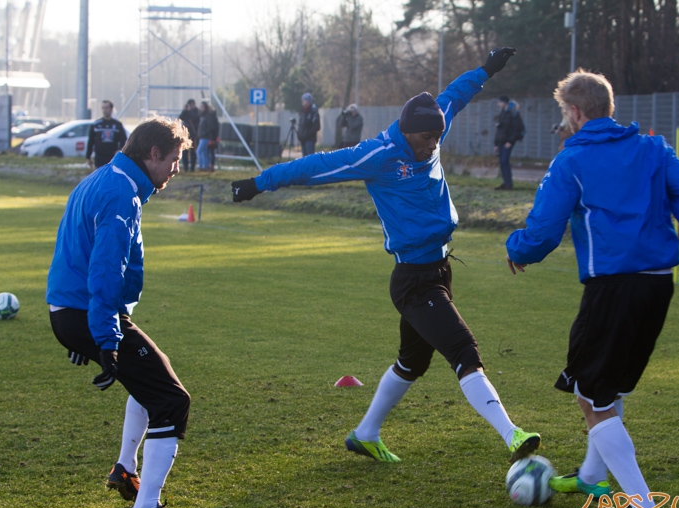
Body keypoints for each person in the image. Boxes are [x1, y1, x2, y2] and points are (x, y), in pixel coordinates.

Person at [230, 47, 541, 467]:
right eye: (427, 138)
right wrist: (257, 182)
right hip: (414, 280)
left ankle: (365, 434)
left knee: (412, 362)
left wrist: (486, 68)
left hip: (439, 269)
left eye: (438, 136)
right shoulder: (378, 156)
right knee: (464, 349)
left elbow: (455, 94)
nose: (433, 144)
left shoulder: (432, 127)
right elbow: (315, 166)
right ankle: (512, 433)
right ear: (408, 131)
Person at [505, 70, 679, 508]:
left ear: (575, 111)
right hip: (657, 285)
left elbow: (545, 227)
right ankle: (591, 476)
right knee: (611, 385)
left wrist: (518, 249)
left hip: (614, 288)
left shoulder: (573, 159)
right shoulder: (653, 148)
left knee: (590, 390)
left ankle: (645, 507)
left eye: (564, 112)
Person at [46, 116, 198, 508]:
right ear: (152, 154)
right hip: (87, 314)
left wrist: (84, 328)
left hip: (72, 312)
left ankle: (125, 469)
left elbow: (71, 251)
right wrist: (104, 337)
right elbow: (105, 271)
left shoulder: (104, 178)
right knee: (172, 399)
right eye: (173, 159)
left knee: (149, 381)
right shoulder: (120, 194)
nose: (176, 168)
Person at [492, 95, 524, 190]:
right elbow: (499, 130)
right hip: (501, 142)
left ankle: (509, 184)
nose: (498, 104)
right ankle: (506, 183)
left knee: (504, 161)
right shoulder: (502, 113)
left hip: (507, 142)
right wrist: (496, 144)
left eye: (500, 102)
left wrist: (510, 141)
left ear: (505, 103)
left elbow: (516, 129)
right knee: (502, 162)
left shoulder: (513, 114)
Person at [86, 100, 128, 168]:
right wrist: (88, 156)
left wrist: (120, 149)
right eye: (103, 108)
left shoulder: (117, 125)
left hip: (112, 157)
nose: (104, 110)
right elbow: (91, 141)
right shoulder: (96, 125)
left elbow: (124, 140)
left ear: (111, 109)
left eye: (106, 108)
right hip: (100, 157)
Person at [196, 101, 218, 171]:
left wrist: (204, 133)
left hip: (205, 137)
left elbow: (210, 127)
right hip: (202, 136)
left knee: (198, 151)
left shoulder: (207, 116)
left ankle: (201, 166)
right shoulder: (202, 116)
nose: (201, 108)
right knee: (204, 152)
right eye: (200, 106)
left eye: (202, 107)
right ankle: (205, 167)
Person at [297, 92, 320, 156]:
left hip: (309, 140)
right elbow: (301, 125)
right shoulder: (302, 111)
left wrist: (307, 135)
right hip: (302, 139)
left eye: (304, 100)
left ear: (308, 101)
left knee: (309, 158)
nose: (302, 101)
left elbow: (316, 126)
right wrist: (299, 135)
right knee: (304, 159)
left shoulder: (313, 111)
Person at [178, 99, 199, 172]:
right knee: (185, 152)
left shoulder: (197, 111)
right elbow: (180, 118)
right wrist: (184, 110)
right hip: (185, 134)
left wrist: (189, 111)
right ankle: (185, 167)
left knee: (193, 152)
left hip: (193, 134)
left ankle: (192, 168)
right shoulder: (186, 112)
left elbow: (195, 118)